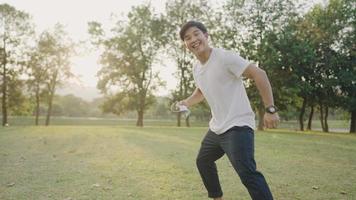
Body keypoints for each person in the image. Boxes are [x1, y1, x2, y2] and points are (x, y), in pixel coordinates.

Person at [178, 21, 279, 200]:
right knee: (203, 161)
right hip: (217, 128)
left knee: (247, 174)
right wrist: (186, 102)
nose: (193, 39)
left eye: (196, 34)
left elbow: (259, 74)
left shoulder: (224, 58)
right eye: (187, 38)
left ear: (206, 36)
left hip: (238, 125)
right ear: (186, 45)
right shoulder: (196, 68)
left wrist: (270, 109)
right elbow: (201, 91)